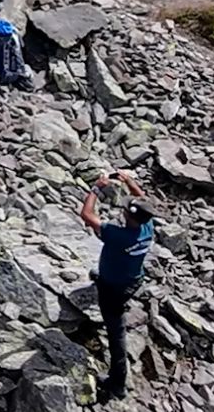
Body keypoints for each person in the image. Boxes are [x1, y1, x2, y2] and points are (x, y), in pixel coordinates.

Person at [80, 170, 157, 403]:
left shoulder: (118, 235)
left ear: (129, 216)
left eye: (125, 209)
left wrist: (96, 188)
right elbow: (144, 200)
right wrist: (130, 182)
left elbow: (86, 214)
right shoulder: (147, 226)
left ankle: (118, 383)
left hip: (114, 288)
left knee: (116, 334)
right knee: (103, 276)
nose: (122, 210)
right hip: (132, 279)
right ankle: (100, 277)